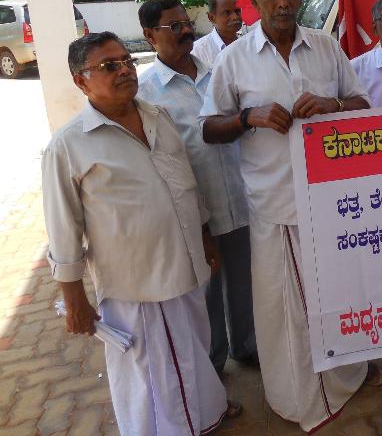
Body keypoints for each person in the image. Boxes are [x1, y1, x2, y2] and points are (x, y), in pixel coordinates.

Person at [200, 0, 382, 433]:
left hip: (331, 203)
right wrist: (248, 118)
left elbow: (362, 104)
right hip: (273, 205)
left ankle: (347, 371)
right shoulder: (234, 59)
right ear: (254, 0)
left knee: (338, 292)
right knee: (283, 310)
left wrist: (332, 105)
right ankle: (294, 393)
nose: (283, 4)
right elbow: (209, 128)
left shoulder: (325, 47)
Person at [42, 32, 240, 435]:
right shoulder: (68, 145)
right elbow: (63, 227)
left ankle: (206, 414)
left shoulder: (157, 116)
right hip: (135, 282)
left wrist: (204, 235)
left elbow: (184, 180)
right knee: (147, 368)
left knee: (193, 347)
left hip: (184, 262)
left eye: (126, 61)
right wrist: (74, 297)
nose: (124, 71)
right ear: (81, 81)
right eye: (108, 66)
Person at [137, 0, 258, 376]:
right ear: (149, 36)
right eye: (174, 26)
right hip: (194, 211)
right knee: (205, 291)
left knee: (244, 282)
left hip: (239, 196)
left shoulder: (218, 71)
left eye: (187, 23)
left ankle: (246, 346)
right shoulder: (145, 93)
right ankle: (212, 366)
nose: (186, 31)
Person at [192, 0, 243, 66]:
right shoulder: (198, 51)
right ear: (211, 17)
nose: (235, 17)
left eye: (237, 11)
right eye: (227, 12)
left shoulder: (248, 43)